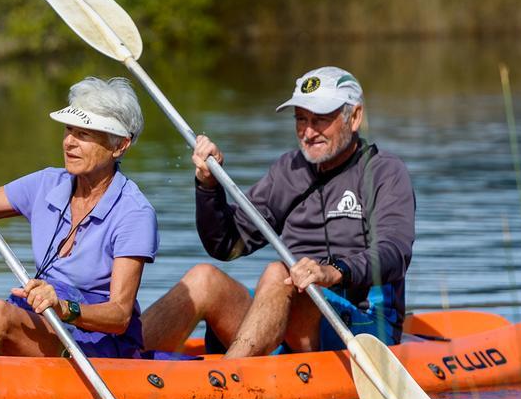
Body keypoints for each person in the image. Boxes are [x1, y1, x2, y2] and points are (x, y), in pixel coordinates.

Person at [143, 66, 415, 357]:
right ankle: (117, 361)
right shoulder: (289, 170)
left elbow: (394, 253)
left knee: (277, 272)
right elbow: (226, 244)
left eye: (320, 120)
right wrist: (208, 186)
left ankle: (229, 378)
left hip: (364, 323)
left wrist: (332, 272)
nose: (308, 133)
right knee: (203, 278)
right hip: (290, 313)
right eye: (301, 120)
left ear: (355, 117)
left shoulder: (385, 172)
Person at [0, 77, 158, 358]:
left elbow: (120, 315)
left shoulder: (134, 213)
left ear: (120, 146)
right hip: (46, 324)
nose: (69, 143)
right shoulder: (46, 184)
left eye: (85, 134)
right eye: (68, 130)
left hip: (97, 344)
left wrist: (65, 308)